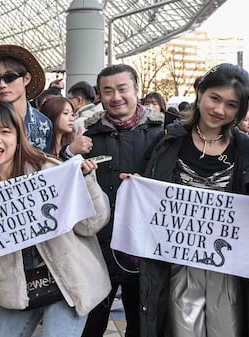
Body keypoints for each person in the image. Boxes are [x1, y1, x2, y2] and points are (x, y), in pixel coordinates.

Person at [0, 103, 111, 337]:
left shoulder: (48, 170)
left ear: (19, 137)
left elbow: (92, 224)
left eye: (5, 131)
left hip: (71, 285)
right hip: (16, 292)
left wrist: (87, 181)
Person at [138, 63, 249, 337]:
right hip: (177, 264)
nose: (220, 110)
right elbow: (147, 192)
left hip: (230, 267)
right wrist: (136, 187)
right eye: (214, 98)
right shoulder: (168, 142)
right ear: (200, 93)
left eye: (231, 104)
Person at [80, 64, 165, 337]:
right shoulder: (86, 137)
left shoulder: (164, 132)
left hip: (144, 249)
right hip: (95, 248)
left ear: (136, 90)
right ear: (99, 95)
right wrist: (68, 153)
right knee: (89, 325)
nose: (116, 97)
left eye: (122, 89)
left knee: (142, 326)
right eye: (108, 91)